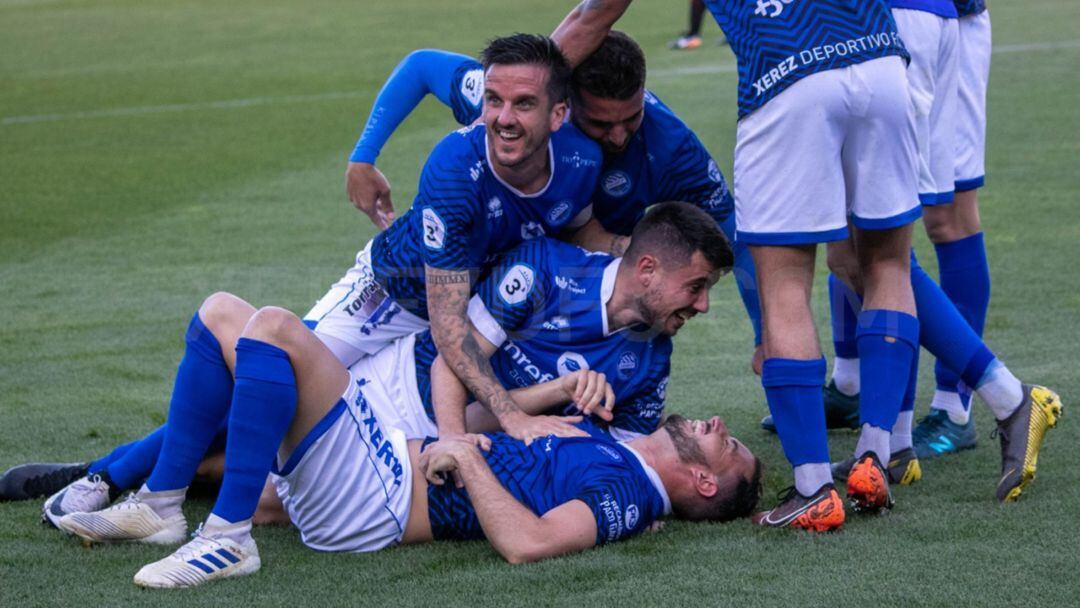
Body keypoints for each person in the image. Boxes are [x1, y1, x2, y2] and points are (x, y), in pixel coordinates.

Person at [38, 204, 738, 524]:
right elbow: (458, 350)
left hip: (461, 426)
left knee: (274, 485)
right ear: (647, 270)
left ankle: (156, 486)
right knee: (253, 403)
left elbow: (629, 451)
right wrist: (456, 437)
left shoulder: (652, 359)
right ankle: (104, 474)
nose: (702, 307)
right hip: (414, 383)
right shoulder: (550, 270)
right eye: (696, 289)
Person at [555, 0, 924, 531]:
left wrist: (537, 95)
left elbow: (593, 17)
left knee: (784, 286)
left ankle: (813, 487)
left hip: (786, 72)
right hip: (881, 58)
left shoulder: (664, 138)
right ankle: (877, 452)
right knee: (888, 262)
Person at [344, 32, 763, 360]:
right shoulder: (522, 109)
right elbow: (421, 67)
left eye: (630, 119)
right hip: (472, 271)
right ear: (562, 108)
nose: (618, 136)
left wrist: (767, 338)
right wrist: (363, 157)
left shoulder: (672, 147)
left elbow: (735, 241)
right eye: (600, 124)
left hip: (578, 279)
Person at [316, 34, 612, 444]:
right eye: (494, 100)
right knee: (284, 382)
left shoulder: (581, 161)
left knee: (358, 425)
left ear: (558, 113)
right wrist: (363, 157)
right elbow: (420, 65)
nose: (504, 116)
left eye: (524, 103)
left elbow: (581, 230)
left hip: (474, 314)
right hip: (391, 294)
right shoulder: (460, 163)